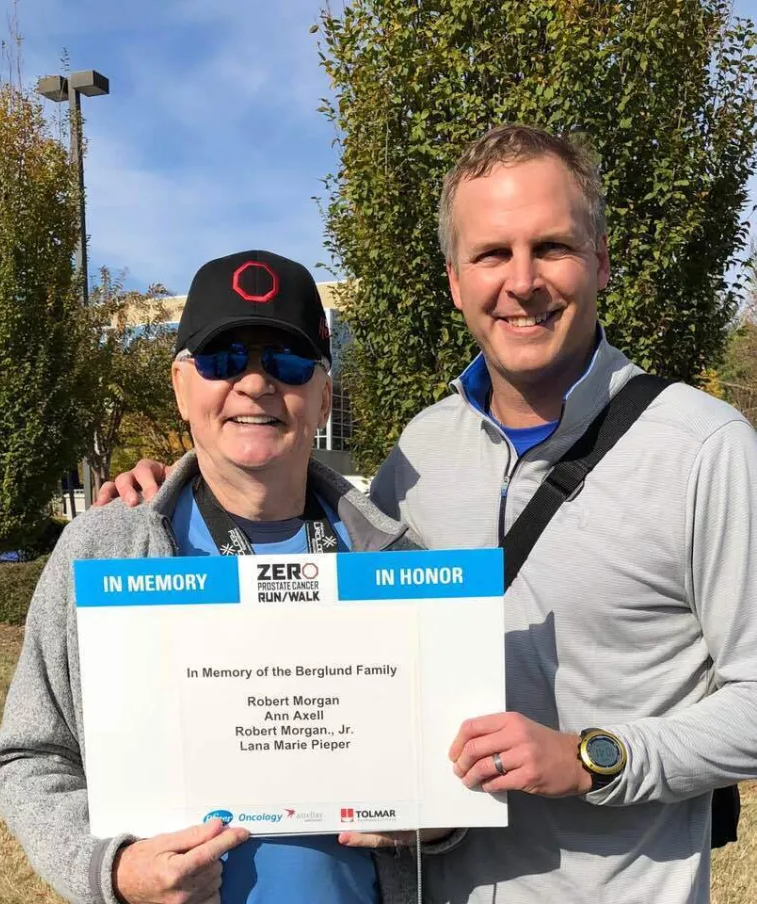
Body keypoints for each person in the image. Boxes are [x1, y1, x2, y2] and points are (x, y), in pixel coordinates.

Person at [99, 125, 757, 904]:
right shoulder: (422, 449)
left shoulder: (706, 449)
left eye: (551, 247)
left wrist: (593, 756)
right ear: (455, 280)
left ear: (602, 259)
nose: (521, 281)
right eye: (490, 254)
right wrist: (171, 480)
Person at [0, 250, 432, 904]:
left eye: (287, 362)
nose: (255, 384)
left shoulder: (397, 566)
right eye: (224, 361)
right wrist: (111, 870)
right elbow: (26, 756)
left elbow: (453, 771)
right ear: (180, 387)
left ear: (324, 395)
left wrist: (440, 820)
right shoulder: (103, 551)